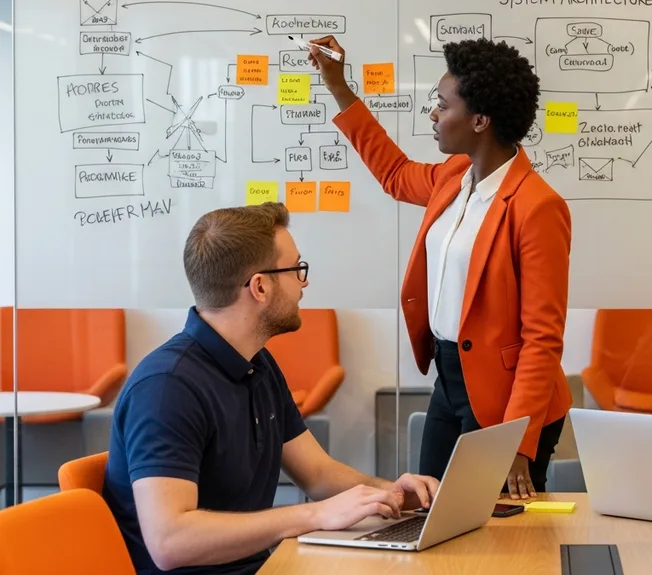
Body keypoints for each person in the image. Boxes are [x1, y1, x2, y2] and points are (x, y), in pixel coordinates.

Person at [103, 203, 440, 575]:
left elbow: (317, 473)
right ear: (260, 286)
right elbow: (170, 542)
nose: (304, 282)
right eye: (297, 269)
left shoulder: (256, 363)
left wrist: (391, 493)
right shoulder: (167, 389)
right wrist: (314, 515)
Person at [309, 35, 572, 500]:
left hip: (506, 397)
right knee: (430, 510)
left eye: (442, 104)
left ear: (480, 121)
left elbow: (542, 337)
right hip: (450, 380)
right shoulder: (453, 178)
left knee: (498, 541)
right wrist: (338, 86)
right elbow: (392, 172)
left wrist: (518, 442)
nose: (433, 113)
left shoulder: (537, 207)